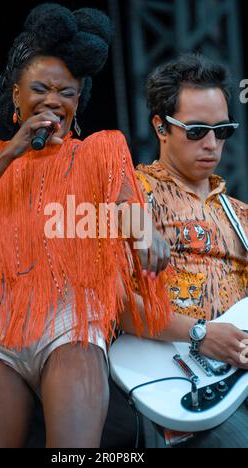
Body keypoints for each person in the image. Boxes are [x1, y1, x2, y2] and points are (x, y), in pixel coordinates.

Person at [0, 3, 170, 448]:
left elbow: (129, 207)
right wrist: (12, 152)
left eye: (67, 93)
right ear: (15, 95)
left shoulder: (99, 150)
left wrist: (146, 233)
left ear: (78, 102)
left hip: (71, 325)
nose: (54, 101)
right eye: (41, 89)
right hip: (0, 329)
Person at [121, 53, 248, 448]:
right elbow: (111, 302)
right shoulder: (130, 198)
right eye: (196, 131)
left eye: (222, 130)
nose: (212, 144)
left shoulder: (241, 215)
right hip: (179, 381)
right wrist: (199, 334)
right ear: (160, 126)